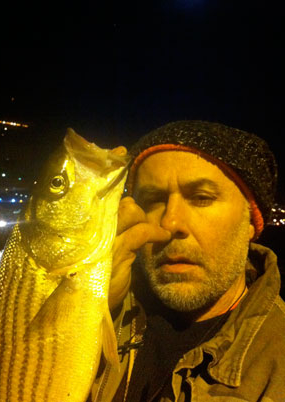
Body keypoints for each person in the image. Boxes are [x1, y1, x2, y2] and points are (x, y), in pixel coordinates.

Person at [90, 120, 285, 402]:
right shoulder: (106, 305)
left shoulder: (276, 363)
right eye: (153, 199)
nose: (171, 222)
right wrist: (89, 308)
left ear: (251, 223)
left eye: (201, 198)